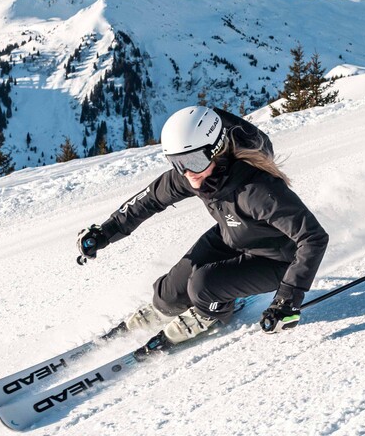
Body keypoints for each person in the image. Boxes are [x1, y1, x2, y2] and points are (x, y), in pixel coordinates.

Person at [75, 105, 329, 343]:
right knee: (168, 294)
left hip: (277, 260)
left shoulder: (256, 190)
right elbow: (150, 199)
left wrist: (287, 299)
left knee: (204, 287)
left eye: (194, 161)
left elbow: (313, 238)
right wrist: (105, 232)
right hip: (234, 235)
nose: (187, 173)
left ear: (216, 150)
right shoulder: (191, 173)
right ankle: (175, 304)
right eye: (178, 163)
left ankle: (213, 312)